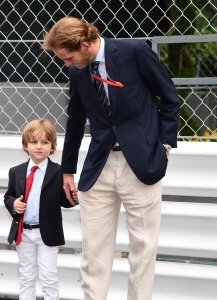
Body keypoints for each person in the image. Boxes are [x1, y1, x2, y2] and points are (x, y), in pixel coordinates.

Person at [42, 16, 179, 300]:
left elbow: (169, 97)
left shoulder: (134, 51)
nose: (65, 64)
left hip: (141, 165)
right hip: (98, 167)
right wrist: (68, 171)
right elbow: (76, 121)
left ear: (84, 45)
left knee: (143, 249)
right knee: (93, 252)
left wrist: (164, 146)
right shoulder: (78, 70)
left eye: (67, 58)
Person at [4, 118, 78, 300]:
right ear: (25, 146)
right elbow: (8, 196)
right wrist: (13, 204)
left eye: (45, 142)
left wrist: (73, 198)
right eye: (34, 142)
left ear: (52, 147)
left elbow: (65, 201)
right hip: (24, 232)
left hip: (47, 234)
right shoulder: (16, 172)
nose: (39, 147)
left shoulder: (59, 172)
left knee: (48, 276)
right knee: (26, 275)